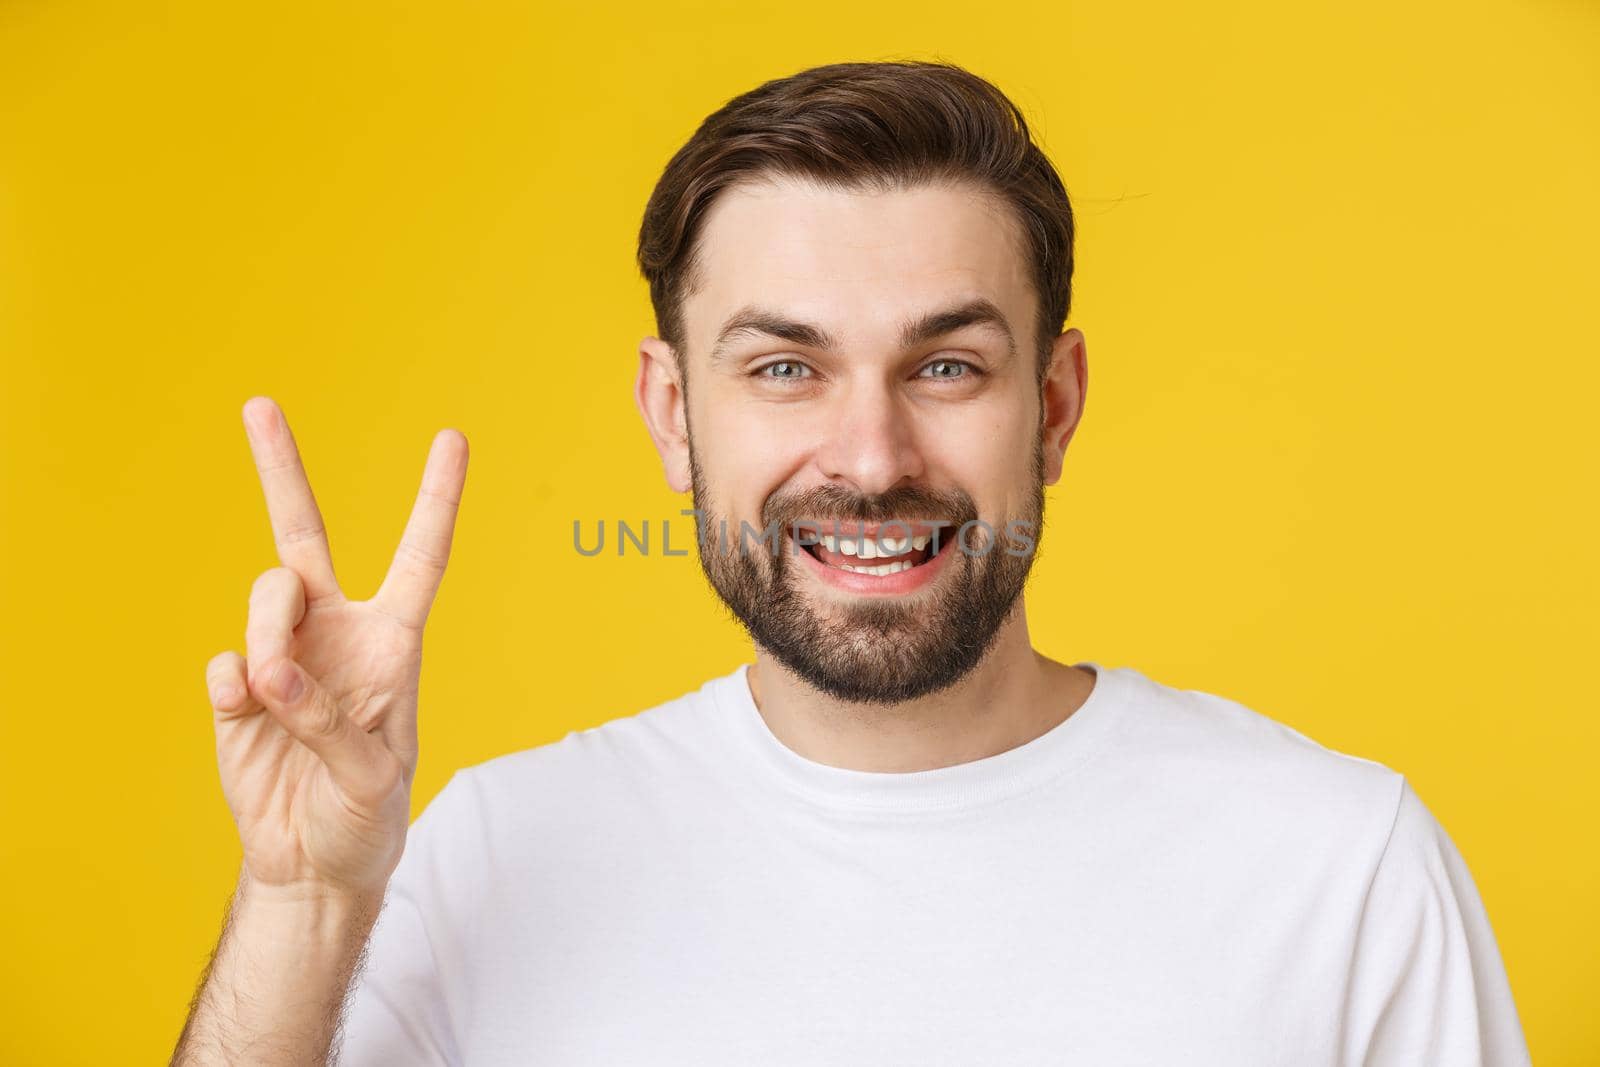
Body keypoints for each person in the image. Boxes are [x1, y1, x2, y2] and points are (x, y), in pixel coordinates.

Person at [172, 61, 1531, 1066]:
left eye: (946, 365)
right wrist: (302, 901)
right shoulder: (482, 860)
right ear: (671, 416)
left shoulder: (1342, 871)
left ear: (1051, 407)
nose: (870, 456)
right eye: (783, 368)